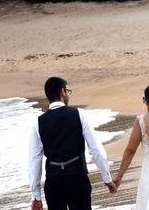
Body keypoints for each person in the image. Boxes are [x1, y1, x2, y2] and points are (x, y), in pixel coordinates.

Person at [28, 76, 116, 210]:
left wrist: (36, 196)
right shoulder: (79, 114)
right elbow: (95, 149)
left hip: (54, 181)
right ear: (63, 92)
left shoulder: (37, 122)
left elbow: (34, 160)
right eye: (68, 91)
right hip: (78, 178)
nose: (69, 94)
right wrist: (107, 178)